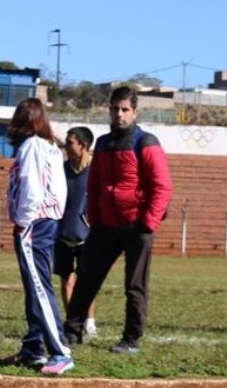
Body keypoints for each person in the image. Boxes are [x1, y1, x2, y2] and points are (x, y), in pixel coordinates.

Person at [63, 87, 173, 354]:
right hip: (105, 226)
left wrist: (147, 223)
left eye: (125, 109)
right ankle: (72, 331)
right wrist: (95, 218)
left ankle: (131, 338)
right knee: (87, 277)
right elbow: (96, 184)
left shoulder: (146, 142)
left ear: (135, 112)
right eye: (115, 109)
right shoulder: (102, 143)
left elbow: (162, 186)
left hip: (137, 225)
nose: (119, 114)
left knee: (134, 285)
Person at [0, 98, 72, 376]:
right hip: (47, 220)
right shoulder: (51, 146)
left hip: (33, 223)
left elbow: (30, 185)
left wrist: (23, 220)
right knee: (34, 285)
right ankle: (34, 347)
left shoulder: (31, 146)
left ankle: (60, 351)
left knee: (40, 287)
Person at [54, 126, 97, 338]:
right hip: (63, 233)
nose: (66, 147)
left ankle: (89, 322)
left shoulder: (97, 171)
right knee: (66, 280)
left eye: (70, 143)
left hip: (87, 236)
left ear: (84, 145)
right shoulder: (62, 169)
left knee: (86, 282)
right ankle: (72, 321)